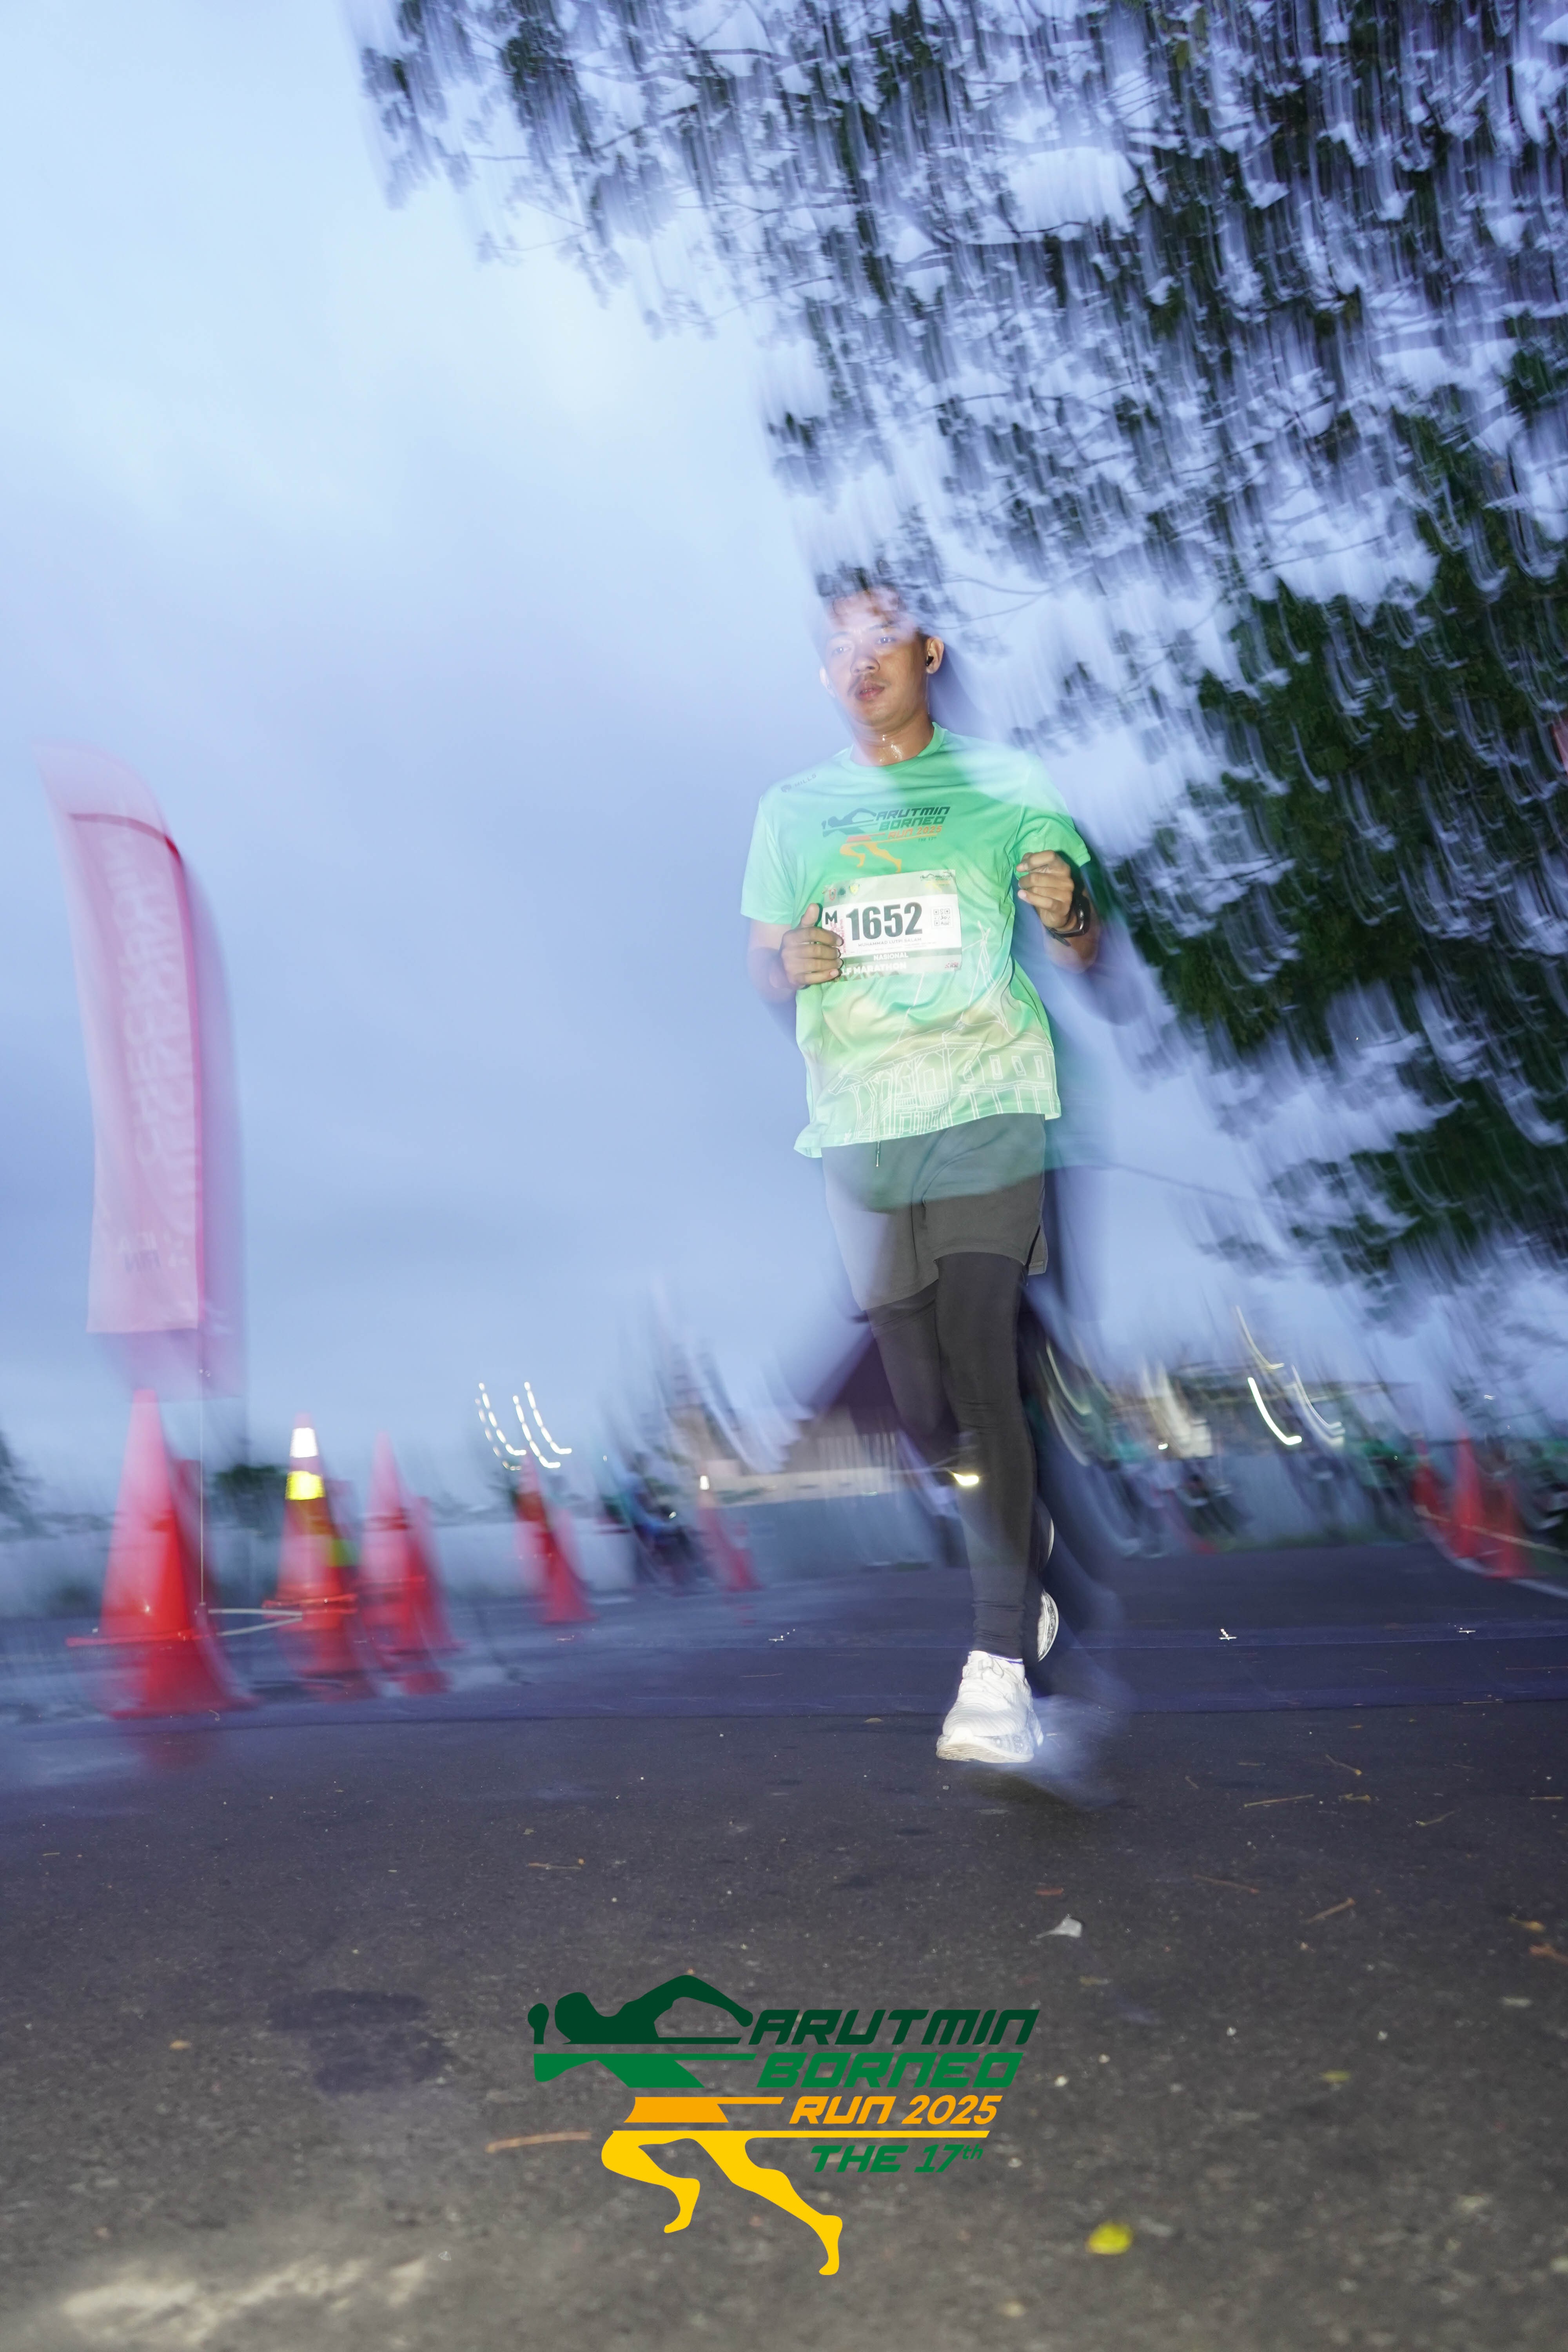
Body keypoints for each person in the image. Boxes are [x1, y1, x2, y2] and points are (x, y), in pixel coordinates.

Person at [743, 579, 1102, 1774]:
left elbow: (1083, 939)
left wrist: (1070, 909)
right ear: (826, 673)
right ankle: (1021, 1544)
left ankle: (997, 1667)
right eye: (841, 646)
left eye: (883, 637)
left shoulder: (1005, 786)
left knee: (981, 1344)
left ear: (928, 652)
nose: (863, 659)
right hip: (863, 1127)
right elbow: (763, 965)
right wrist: (791, 961)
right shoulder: (793, 811)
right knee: (925, 1402)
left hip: (991, 1101)